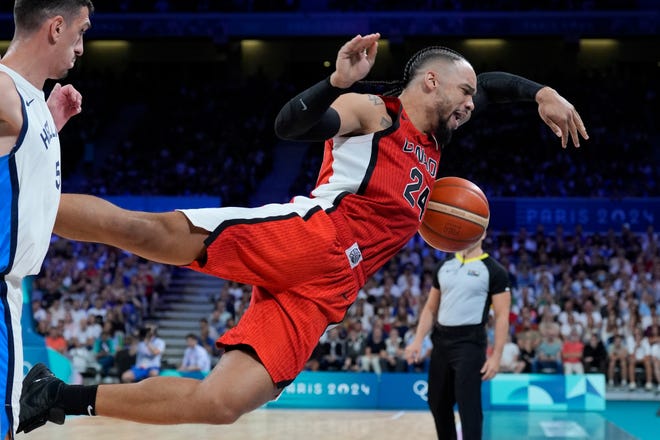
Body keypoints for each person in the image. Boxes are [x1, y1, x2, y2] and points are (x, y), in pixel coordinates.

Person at [18, 33, 587, 432]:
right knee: (150, 233)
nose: (473, 102)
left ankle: (52, 397)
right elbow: (291, 125)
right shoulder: (375, 111)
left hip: (332, 290)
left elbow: (492, 82)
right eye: (463, 93)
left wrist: (542, 93)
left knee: (223, 402)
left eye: (472, 98)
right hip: (312, 237)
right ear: (431, 82)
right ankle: (13, 202)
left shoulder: (438, 137)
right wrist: (335, 83)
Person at [0, 1, 92, 437]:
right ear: (56, 27)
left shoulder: (31, 101)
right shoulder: (5, 89)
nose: (81, 48)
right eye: (80, 33)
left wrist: (49, 126)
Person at [404, 235, 511, 440]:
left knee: (468, 404)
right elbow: (430, 308)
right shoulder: (444, 266)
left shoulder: (494, 270)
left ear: (484, 233)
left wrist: (496, 356)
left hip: (470, 343)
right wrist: (418, 340)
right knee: (437, 401)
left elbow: (502, 316)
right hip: (441, 340)